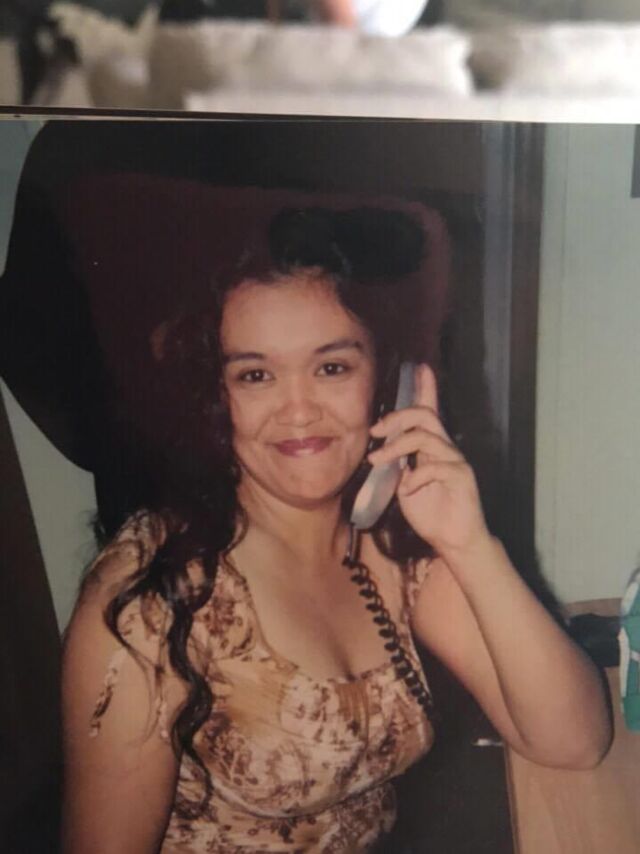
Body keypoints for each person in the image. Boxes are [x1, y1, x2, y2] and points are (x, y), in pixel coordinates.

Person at [60, 198, 611, 854]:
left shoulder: (391, 542)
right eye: (256, 375)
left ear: (387, 382)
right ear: (215, 396)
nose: (298, 410)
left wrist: (469, 543)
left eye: (331, 367)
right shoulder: (150, 599)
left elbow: (574, 741)